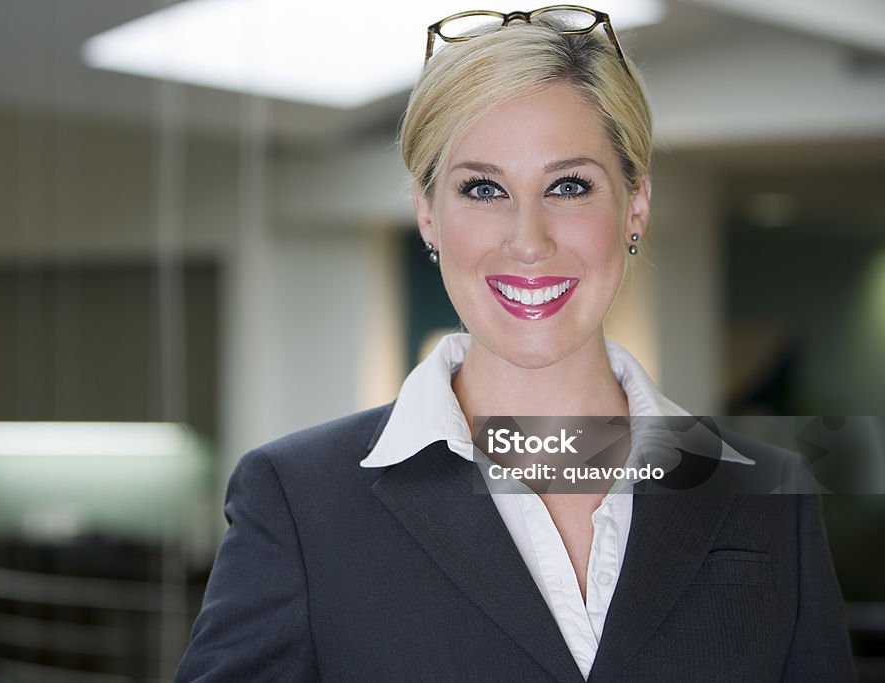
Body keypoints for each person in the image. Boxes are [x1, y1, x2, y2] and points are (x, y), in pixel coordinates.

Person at [175, 7, 855, 682]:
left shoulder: (765, 496)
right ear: (427, 213)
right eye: (483, 188)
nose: (528, 240)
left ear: (635, 206)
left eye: (568, 186)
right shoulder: (300, 501)